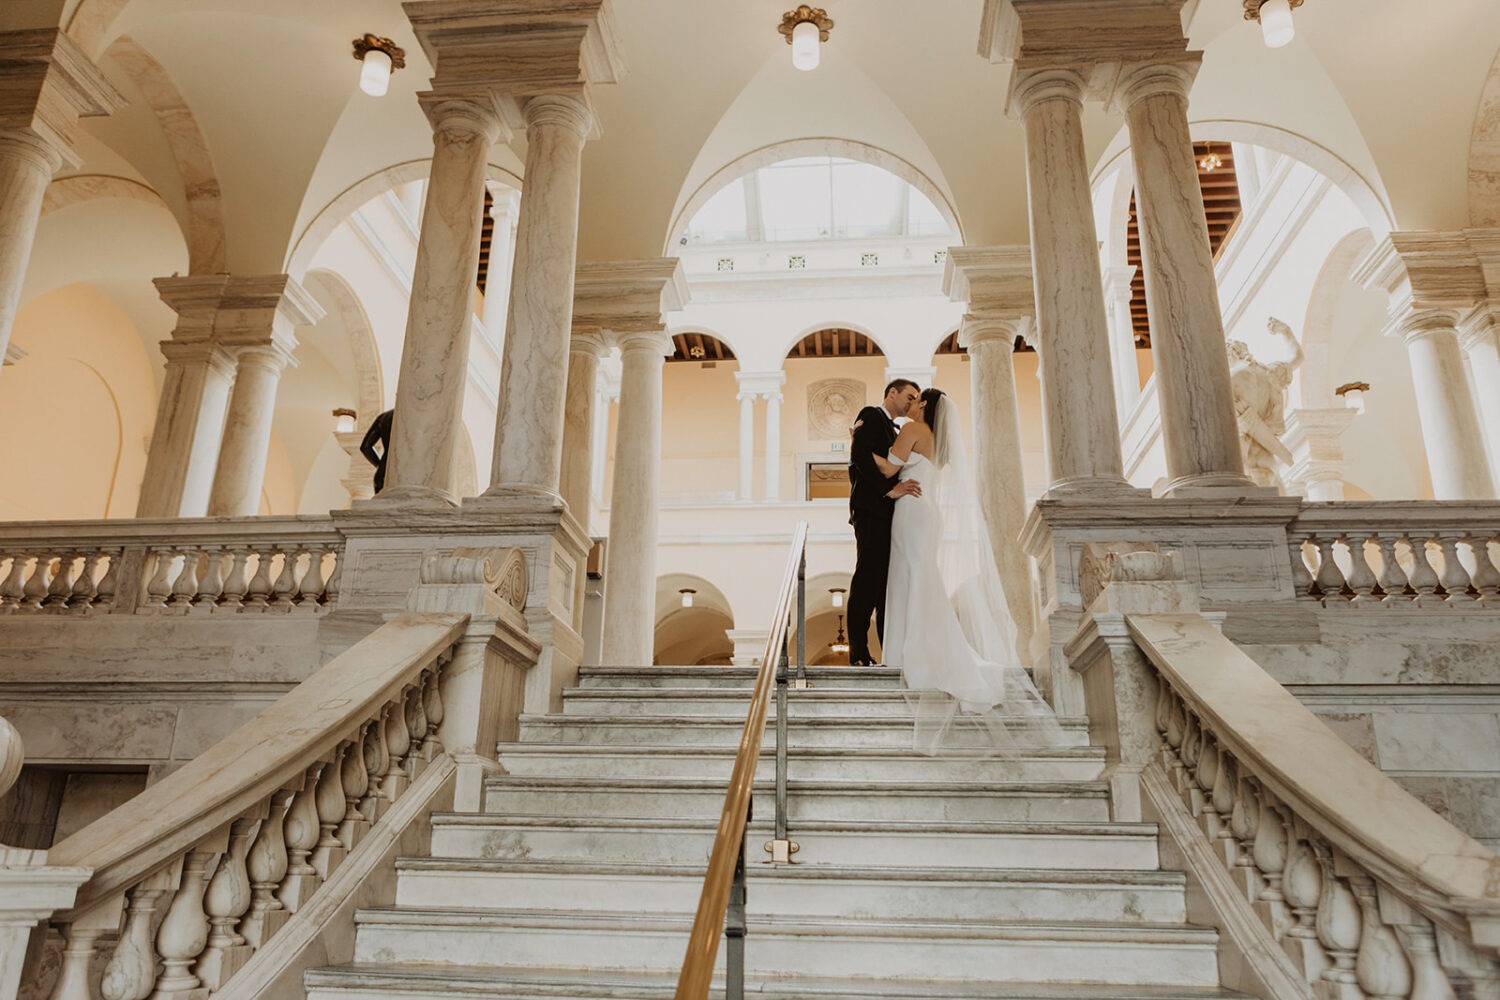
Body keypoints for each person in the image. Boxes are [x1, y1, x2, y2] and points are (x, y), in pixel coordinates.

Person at [872, 387, 1061, 753]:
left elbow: (888, 468)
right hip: (926, 515)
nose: (910, 406)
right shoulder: (938, 442)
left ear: (925, 405)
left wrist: (859, 447)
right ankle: (910, 652)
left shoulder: (914, 431)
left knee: (910, 579)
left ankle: (903, 654)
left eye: (915, 401)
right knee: (921, 580)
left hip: (911, 513)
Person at [845, 379, 923, 666]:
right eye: (909, 396)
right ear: (892, 392)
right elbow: (858, 457)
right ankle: (858, 653)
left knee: (885, 587)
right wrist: (887, 490)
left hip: (891, 516)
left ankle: (888, 653)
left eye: (916, 399)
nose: (912, 402)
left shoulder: (898, 429)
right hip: (870, 510)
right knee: (866, 579)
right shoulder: (871, 414)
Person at [359, 409, 394, 494]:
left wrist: (381, 465)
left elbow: (365, 447)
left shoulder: (384, 417)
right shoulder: (412, 416)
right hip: (405, 474)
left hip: (382, 473)